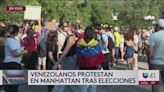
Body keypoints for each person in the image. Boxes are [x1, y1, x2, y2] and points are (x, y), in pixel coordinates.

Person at [52, 21, 79, 92]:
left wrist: (57, 63)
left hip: (70, 60)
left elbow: (65, 52)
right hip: (68, 60)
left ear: (69, 28)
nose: (62, 28)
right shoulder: (68, 36)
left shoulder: (71, 38)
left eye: (65, 26)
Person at [77, 27, 104, 92]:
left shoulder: (79, 43)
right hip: (94, 67)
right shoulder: (96, 43)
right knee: (92, 86)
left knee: (82, 86)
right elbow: (100, 55)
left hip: (82, 66)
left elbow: (77, 55)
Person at [3, 25, 28, 92]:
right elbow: (14, 54)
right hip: (12, 64)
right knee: (13, 87)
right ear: (16, 32)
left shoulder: (10, 40)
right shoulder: (10, 40)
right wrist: (24, 52)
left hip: (12, 64)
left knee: (11, 86)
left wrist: (21, 51)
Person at [148, 19, 164, 92]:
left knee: (155, 84)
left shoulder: (153, 36)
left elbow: (150, 51)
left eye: (155, 26)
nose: (154, 27)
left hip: (155, 62)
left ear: (158, 26)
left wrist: (149, 59)